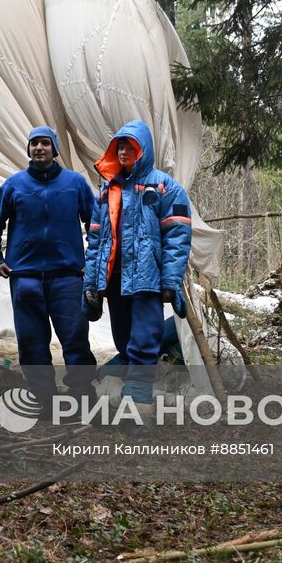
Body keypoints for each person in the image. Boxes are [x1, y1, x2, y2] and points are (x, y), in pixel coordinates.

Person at [82, 120, 193, 407]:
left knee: (144, 341)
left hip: (147, 280)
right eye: (118, 147)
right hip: (116, 280)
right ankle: (129, 400)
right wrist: (92, 283)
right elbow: (95, 240)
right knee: (123, 340)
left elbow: (177, 238)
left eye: (129, 146)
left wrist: (170, 281)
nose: (122, 152)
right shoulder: (107, 191)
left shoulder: (165, 187)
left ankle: (139, 405)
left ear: (142, 150)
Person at [0, 125, 97, 398]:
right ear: (29, 149)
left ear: (54, 149)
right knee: (32, 341)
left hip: (67, 276)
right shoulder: (14, 185)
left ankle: (82, 393)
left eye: (45, 143)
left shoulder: (75, 183)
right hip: (25, 277)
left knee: (75, 337)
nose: (39, 148)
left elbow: (96, 224)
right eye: (34, 143)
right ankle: (42, 396)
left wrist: (92, 261)